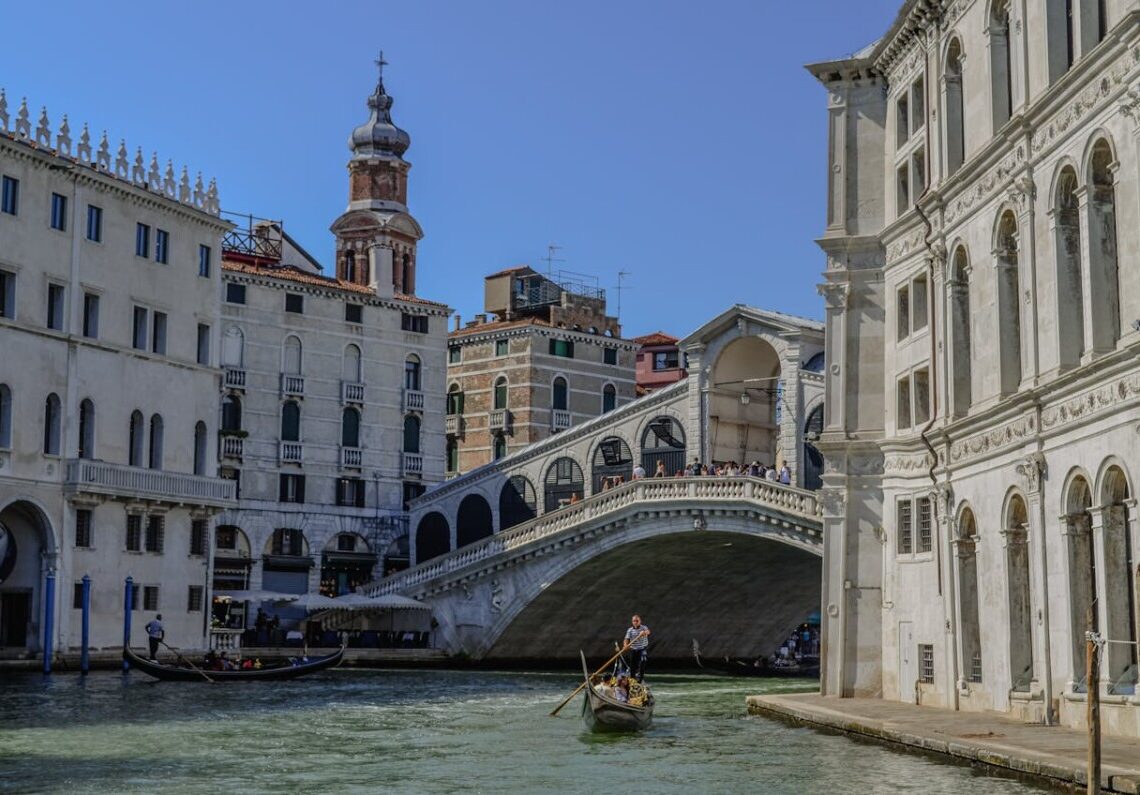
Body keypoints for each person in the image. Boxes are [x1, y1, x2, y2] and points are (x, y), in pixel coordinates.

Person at [620, 614, 651, 682]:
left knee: (643, 660)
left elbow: (648, 632)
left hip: (642, 648)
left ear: (640, 621)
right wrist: (625, 645)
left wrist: (644, 633)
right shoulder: (630, 630)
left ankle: (640, 678)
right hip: (633, 649)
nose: (635, 622)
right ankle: (632, 678)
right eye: (634, 621)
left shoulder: (644, 627)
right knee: (633, 664)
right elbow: (626, 639)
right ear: (632, 622)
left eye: (637, 621)